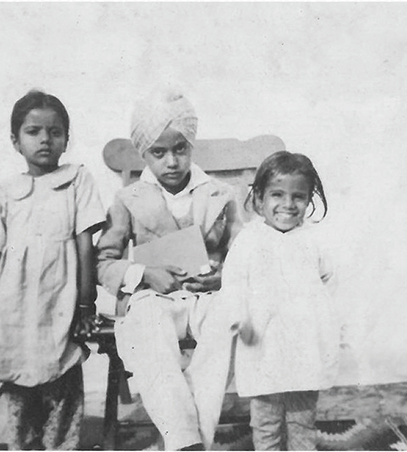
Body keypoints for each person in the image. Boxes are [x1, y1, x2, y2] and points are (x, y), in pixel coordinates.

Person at [0, 90, 106, 450]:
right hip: (15, 309)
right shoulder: (7, 191)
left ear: (66, 139)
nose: (44, 139)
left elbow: (85, 245)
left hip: (61, 301)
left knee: (62, 379)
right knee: (19, 385)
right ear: (15, 140)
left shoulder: (77, 181)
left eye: (55, 132)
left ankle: (61, 445)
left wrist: (86, 303)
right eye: (33, 131)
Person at [96, 89, 243, 451]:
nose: (172, 162)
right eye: (158, 153)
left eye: (180, 149)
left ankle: (190, 442)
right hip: (156, 296)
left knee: (226, 325)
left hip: (207, 295)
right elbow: (105, 262)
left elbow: (246, 254)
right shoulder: (129, 199)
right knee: (146, 328)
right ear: (144, 153)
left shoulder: (220, 194)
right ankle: (186, 441)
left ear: (191, 146)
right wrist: (145, 273)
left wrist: (223, 275)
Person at [221, 151, 340, 451]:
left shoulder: (314, 239)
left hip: (305, 348)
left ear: (309, 199)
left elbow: (330, 281)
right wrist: (240, 320)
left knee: (302, 421)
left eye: (298, 197)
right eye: (277, 194)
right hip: (263, 346)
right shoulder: (248, 241)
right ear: (259, 197)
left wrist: (326, 322)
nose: (288, 205)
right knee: (266, 422)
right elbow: (232, 286)